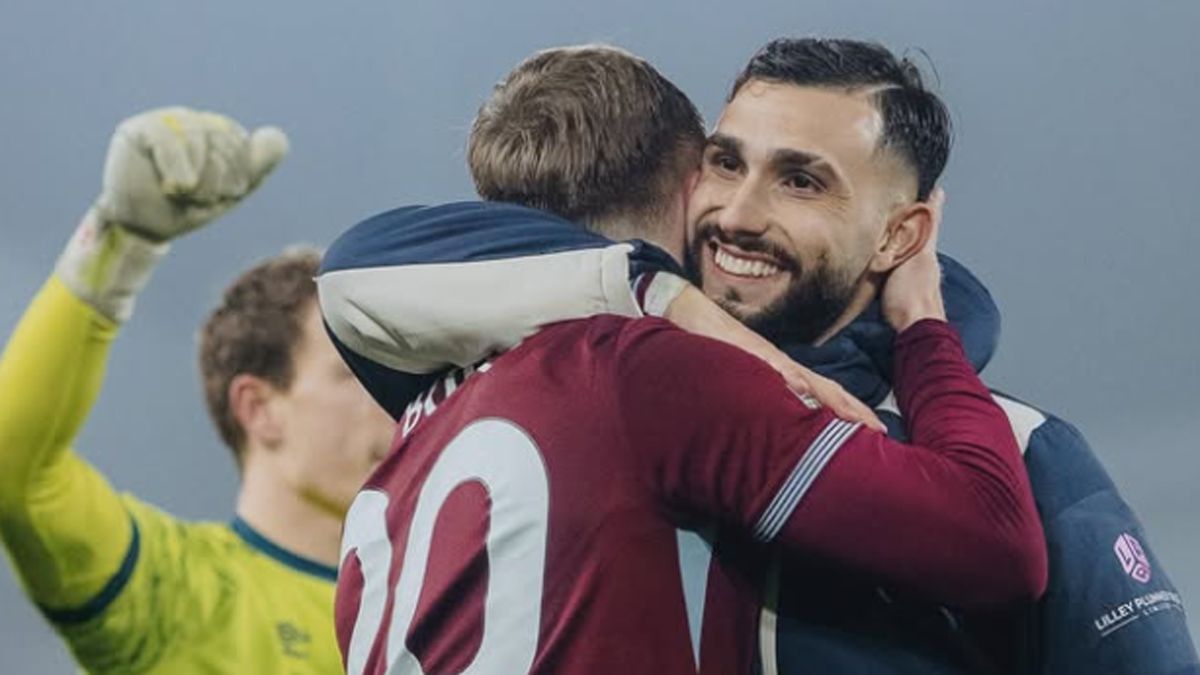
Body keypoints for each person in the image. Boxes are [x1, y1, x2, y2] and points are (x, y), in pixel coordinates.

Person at [317, 40, 1199, 674]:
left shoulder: (1028, 449)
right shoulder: (610, 392)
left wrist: (928, 334)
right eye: (723, 164)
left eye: (800, 180)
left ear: (902, 233)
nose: (736, 212)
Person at [0, 107, 395, 673]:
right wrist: (121, 241)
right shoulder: (174, 593)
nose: (389, 399)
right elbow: (17, 472)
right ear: (259, 409)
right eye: (351, 374)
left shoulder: (435, 612)